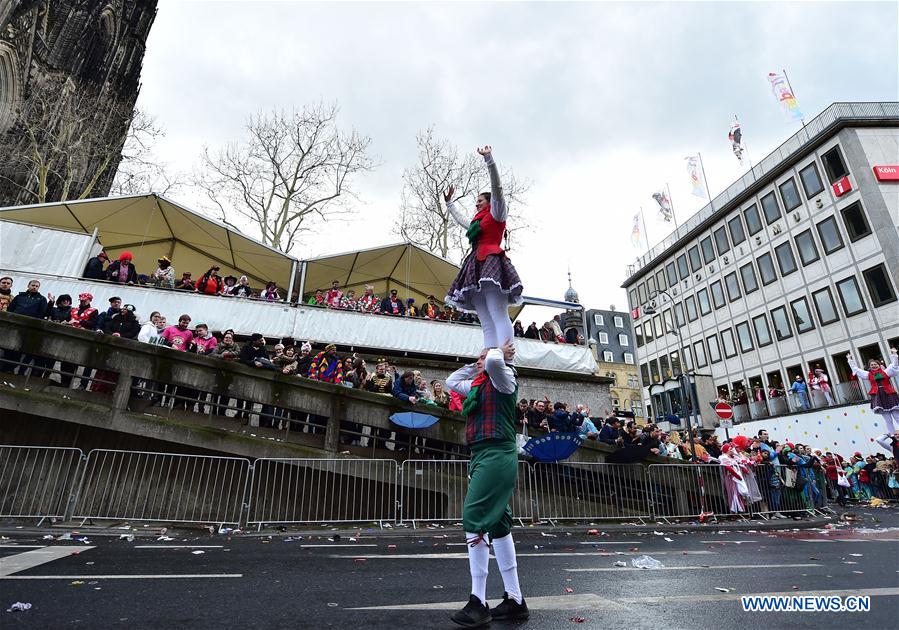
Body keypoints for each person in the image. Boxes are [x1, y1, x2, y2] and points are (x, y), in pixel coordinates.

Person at [446, 340, 527, 625]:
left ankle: (478, 601)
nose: (481, 361)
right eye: (477, 358)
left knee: (474, 516)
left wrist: (498, 355)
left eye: (483, 357)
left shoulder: (504, 380)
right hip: (481, 454)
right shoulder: (477, 387)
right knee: (498, 524)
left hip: (497, 453)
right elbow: (451, 381)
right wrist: (474, 365)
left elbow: (494, 363)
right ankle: (515, 599)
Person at [443, 147, 523, 352]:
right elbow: (462, 220)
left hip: (492, 263)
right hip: (474, 267)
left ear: (489, 201)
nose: (477, 203)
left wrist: (489, 159)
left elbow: (497, 187)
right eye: (476, 201)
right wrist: (449, 204)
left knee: (498, 314)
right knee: (486, 319)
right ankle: (488, 356)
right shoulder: (476, 223)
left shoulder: (497, 212)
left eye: (480, 200)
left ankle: (507, 356)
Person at [847, 348, 899, 434]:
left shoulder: (886, 372)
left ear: (879, 365)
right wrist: (850, 360)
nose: (874, 366)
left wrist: (894, 355)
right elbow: (857, 370)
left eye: (875, 364)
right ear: (869, 367)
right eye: (872, 365)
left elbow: (894, 365)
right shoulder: (868, 375)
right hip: (879, 397)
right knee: (888, 419)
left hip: (889, 394)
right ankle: (893, 435)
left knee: (897, 416)